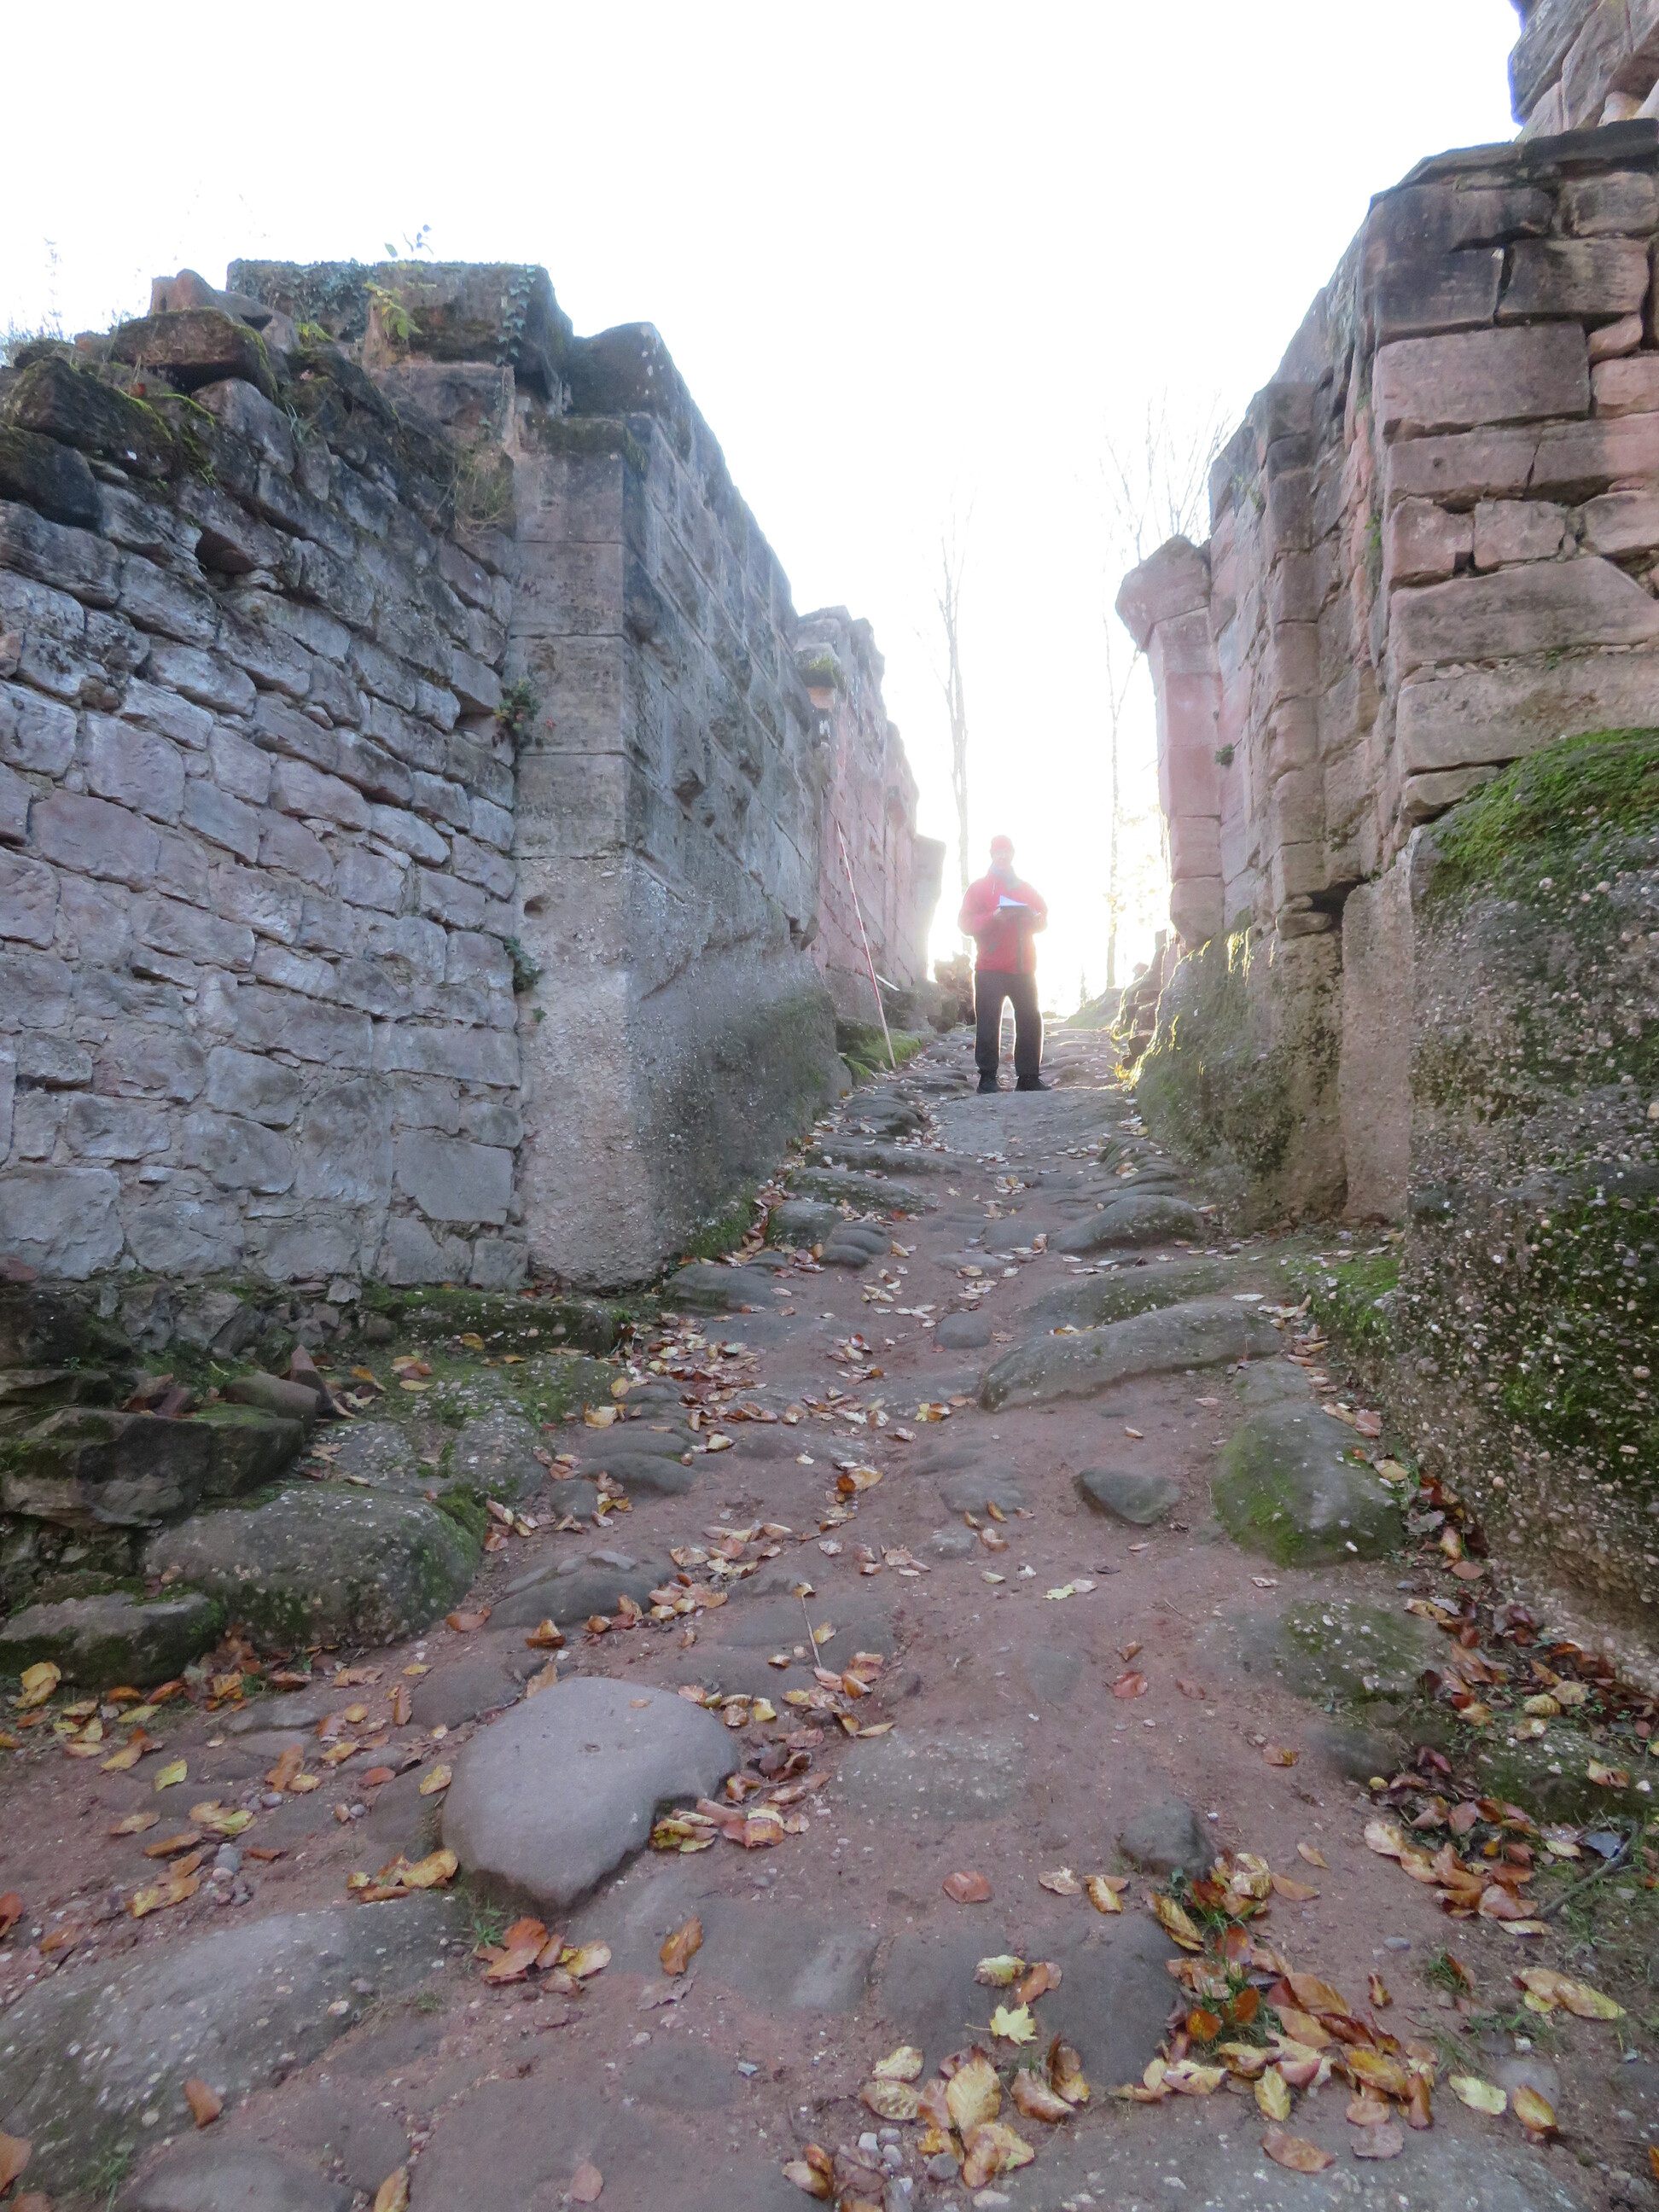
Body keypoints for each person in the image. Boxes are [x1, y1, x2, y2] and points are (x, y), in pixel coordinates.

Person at [957, 835, 1049, 1093]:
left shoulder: (1026, 889)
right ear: (992, 855)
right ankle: (987, 1078)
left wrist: (1036, 920)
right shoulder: (978, 888)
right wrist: (992, 918)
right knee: (988, 1021)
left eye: (1006, 851)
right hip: (990, 967)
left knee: (1030, 1018)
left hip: (1023, 966)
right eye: (998, 852)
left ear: (1012, 854)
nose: (1002, 856)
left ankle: (1028, 1078)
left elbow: (1043, 915)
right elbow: (964, 923)